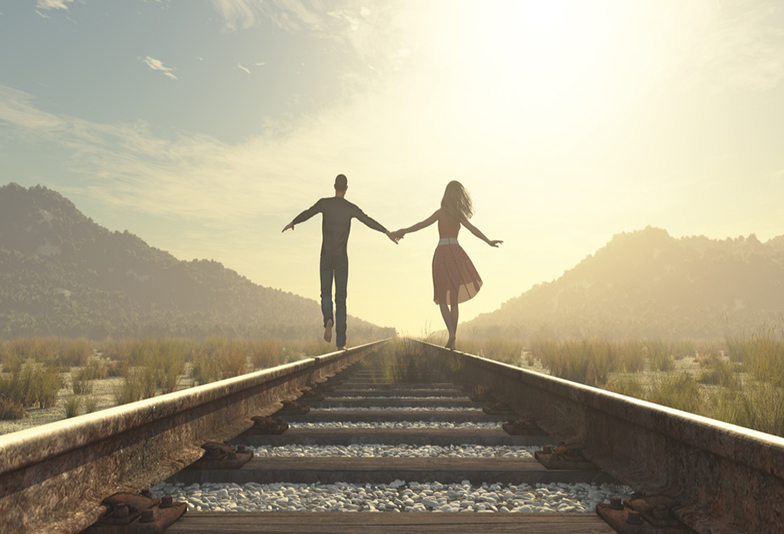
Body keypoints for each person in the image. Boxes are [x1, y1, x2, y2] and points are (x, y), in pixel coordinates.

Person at [283, 174, 398, 349]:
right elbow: (367, 220)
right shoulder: (350, 208)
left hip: (326, 256)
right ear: (346, 189)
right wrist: (386, 231)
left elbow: (309, 212)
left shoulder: (324, 203)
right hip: (342, 258)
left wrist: (294, 222)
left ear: (334, 186)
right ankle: (341, 342)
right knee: (341, 299)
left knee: (326, 294)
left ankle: (328, 319)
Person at [390, 181, 501, 350]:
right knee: (454, 300)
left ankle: (451, 333)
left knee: (442, 297)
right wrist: (488, 241)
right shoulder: (458, 215)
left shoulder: (440, 213)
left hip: (441, 254)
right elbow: (474, 230)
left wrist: (402, 230)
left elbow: (421, 224)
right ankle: (453, 341)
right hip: (456, 253)